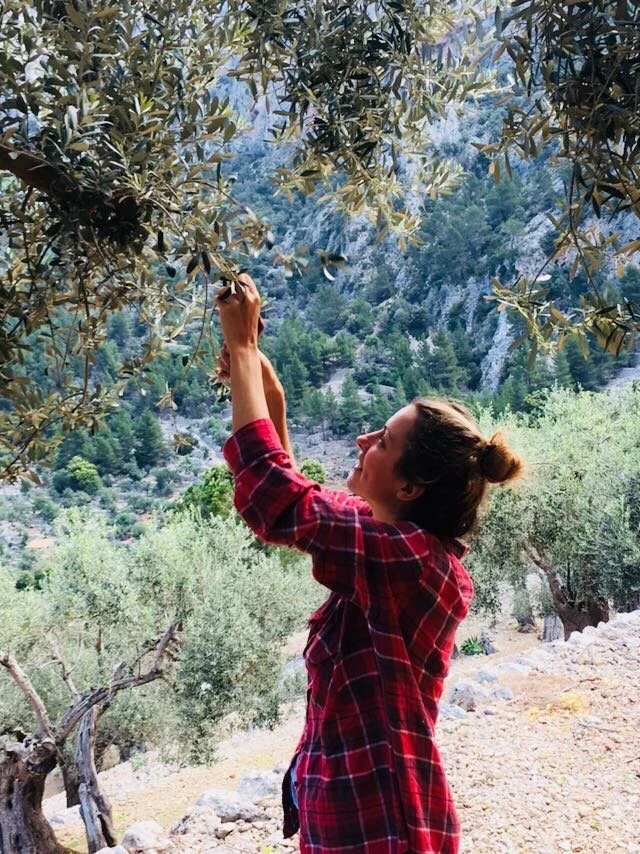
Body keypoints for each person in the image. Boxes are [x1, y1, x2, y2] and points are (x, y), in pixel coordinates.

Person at [216, 274, 523, 854]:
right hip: (362, 818)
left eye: (382, 440)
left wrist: (245, 349)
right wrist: (266, 390)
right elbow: (299, 510)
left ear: (410, 486)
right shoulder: (393, 552)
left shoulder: (412, 563)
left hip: (378, 828)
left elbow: (274, 501)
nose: (362, 440)